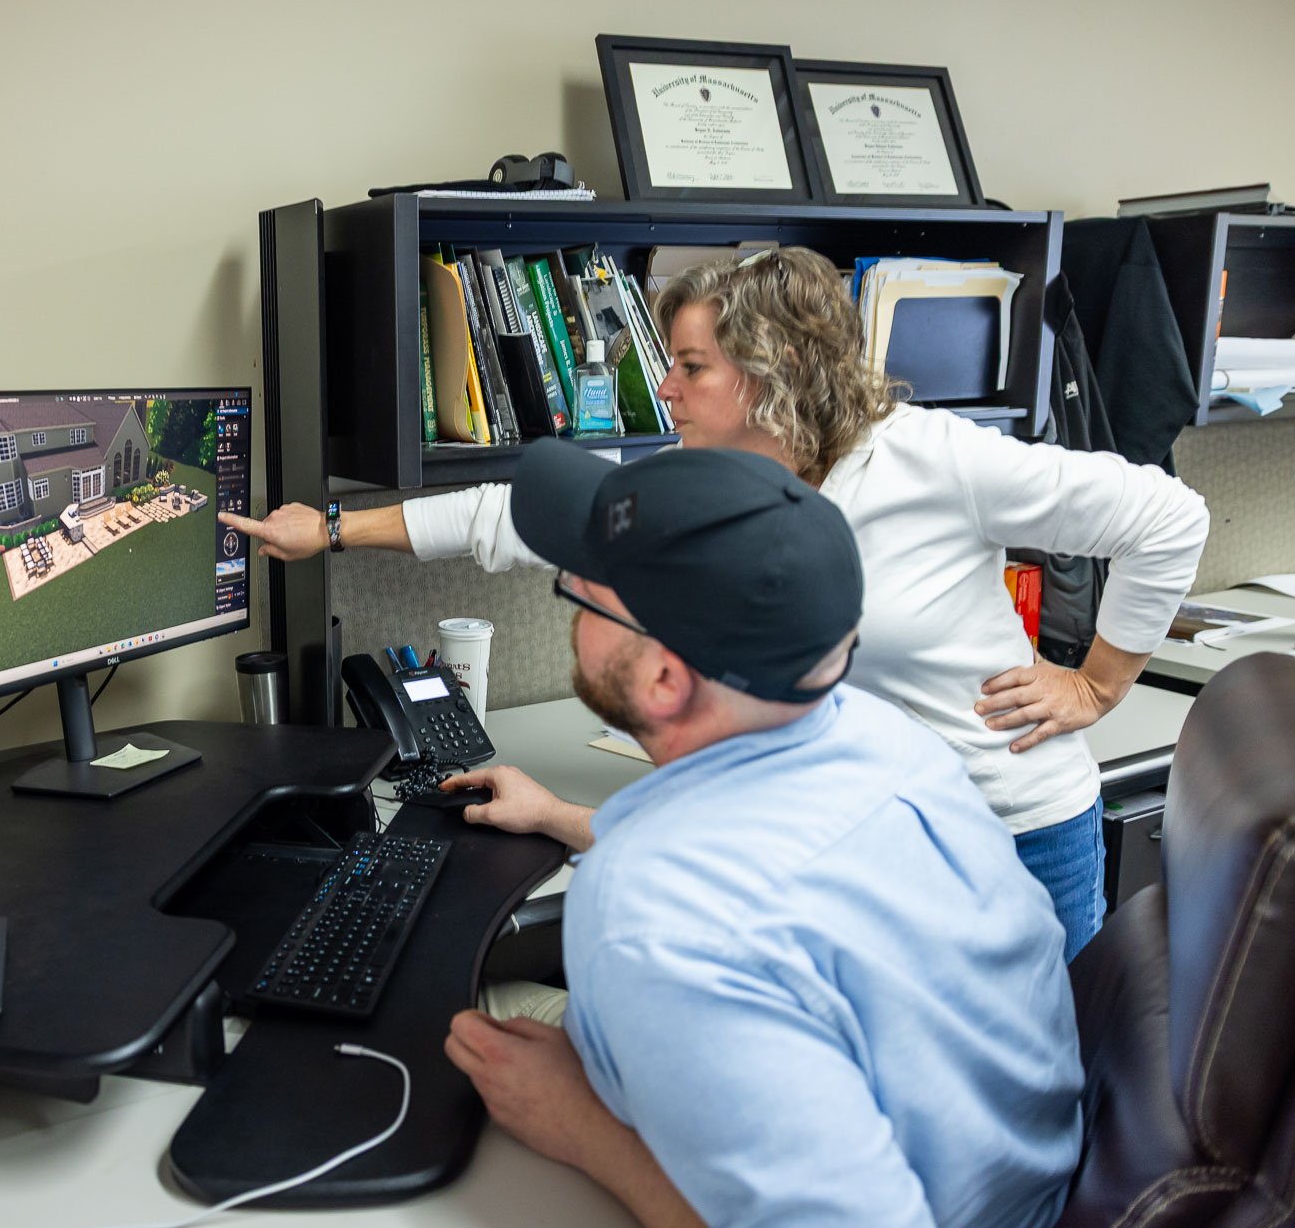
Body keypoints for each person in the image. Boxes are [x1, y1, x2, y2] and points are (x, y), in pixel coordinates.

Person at [221, 246, 1209, 959]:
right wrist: (335, 532)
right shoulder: (711, 478)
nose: (667, 386)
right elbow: (511, 517)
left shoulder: (933, 457)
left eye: (690, 366)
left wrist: (1098, 685)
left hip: (1008, 830)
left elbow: (1169, 519)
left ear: (771, 376)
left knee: (1031, 1102)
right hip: (853, 832)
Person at [439, 440, 1081, 1228]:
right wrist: (561, 818)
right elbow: (770, 868)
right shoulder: (890, 737)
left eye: (580, 591)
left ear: (665, 680)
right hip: (1016, 1171)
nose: (568, 596)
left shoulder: (655, 915)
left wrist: (581, 1128)